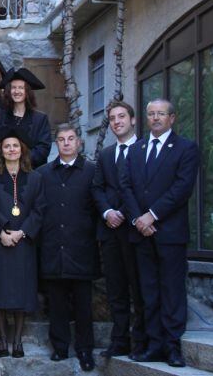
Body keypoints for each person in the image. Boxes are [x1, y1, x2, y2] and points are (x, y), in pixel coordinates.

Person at [120, 99, 199, 368]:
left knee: (172, 291)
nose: (155, 118)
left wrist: (151, 215)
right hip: (141, 233)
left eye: (161, 114)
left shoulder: (186, 148)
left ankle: (172, 346)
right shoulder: (137, 148)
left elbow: (182, 188)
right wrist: (138, 219)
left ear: (172, 118)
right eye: (151, 114)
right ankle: (153, 345)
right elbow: (126, 186)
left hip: (169, 232)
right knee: (148, 291)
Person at [0, 126, 45, 359]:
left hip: (23, 242)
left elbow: (39, 210)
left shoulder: (35, 178)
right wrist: (3, 231)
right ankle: (2, 339)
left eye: (15, 146)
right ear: (0, 150)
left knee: (21, 292)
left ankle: (17, 340)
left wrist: (21, 232)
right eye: (7, 146)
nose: (11, 149)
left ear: (22, 150)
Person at [37, 124, 99, 371]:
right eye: (61, 139)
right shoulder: (44, 173)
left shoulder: (92, 172)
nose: (66, 143)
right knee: (57, 303)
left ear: (79, 143)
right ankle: (60, 348)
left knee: (84, 305)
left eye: (70, 139)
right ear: (56, 144)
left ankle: (85, 350)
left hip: (81, 248)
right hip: (53, 247)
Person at [92, 100, 146, 359]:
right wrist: (107, 212)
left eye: (121, 117)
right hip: (110, 231)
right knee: (115, 289)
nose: (117, 122)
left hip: (135, 230)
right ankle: (119, 339)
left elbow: (144, 188)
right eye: (112, 118)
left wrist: (125, 212)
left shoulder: (145, 149)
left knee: (139, 287)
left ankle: (141, 340)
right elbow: (97, 187)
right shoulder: (105, 154)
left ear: (133, 120)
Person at [0, 67, 52, 168]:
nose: (17, 91)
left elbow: (43, 149)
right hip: (5, 170)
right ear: (9, 91)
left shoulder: (40, 119)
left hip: (32, 172)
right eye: (13, 87)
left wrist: (19, 160)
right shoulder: (1, 116)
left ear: (27, 92)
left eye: (21, 88)